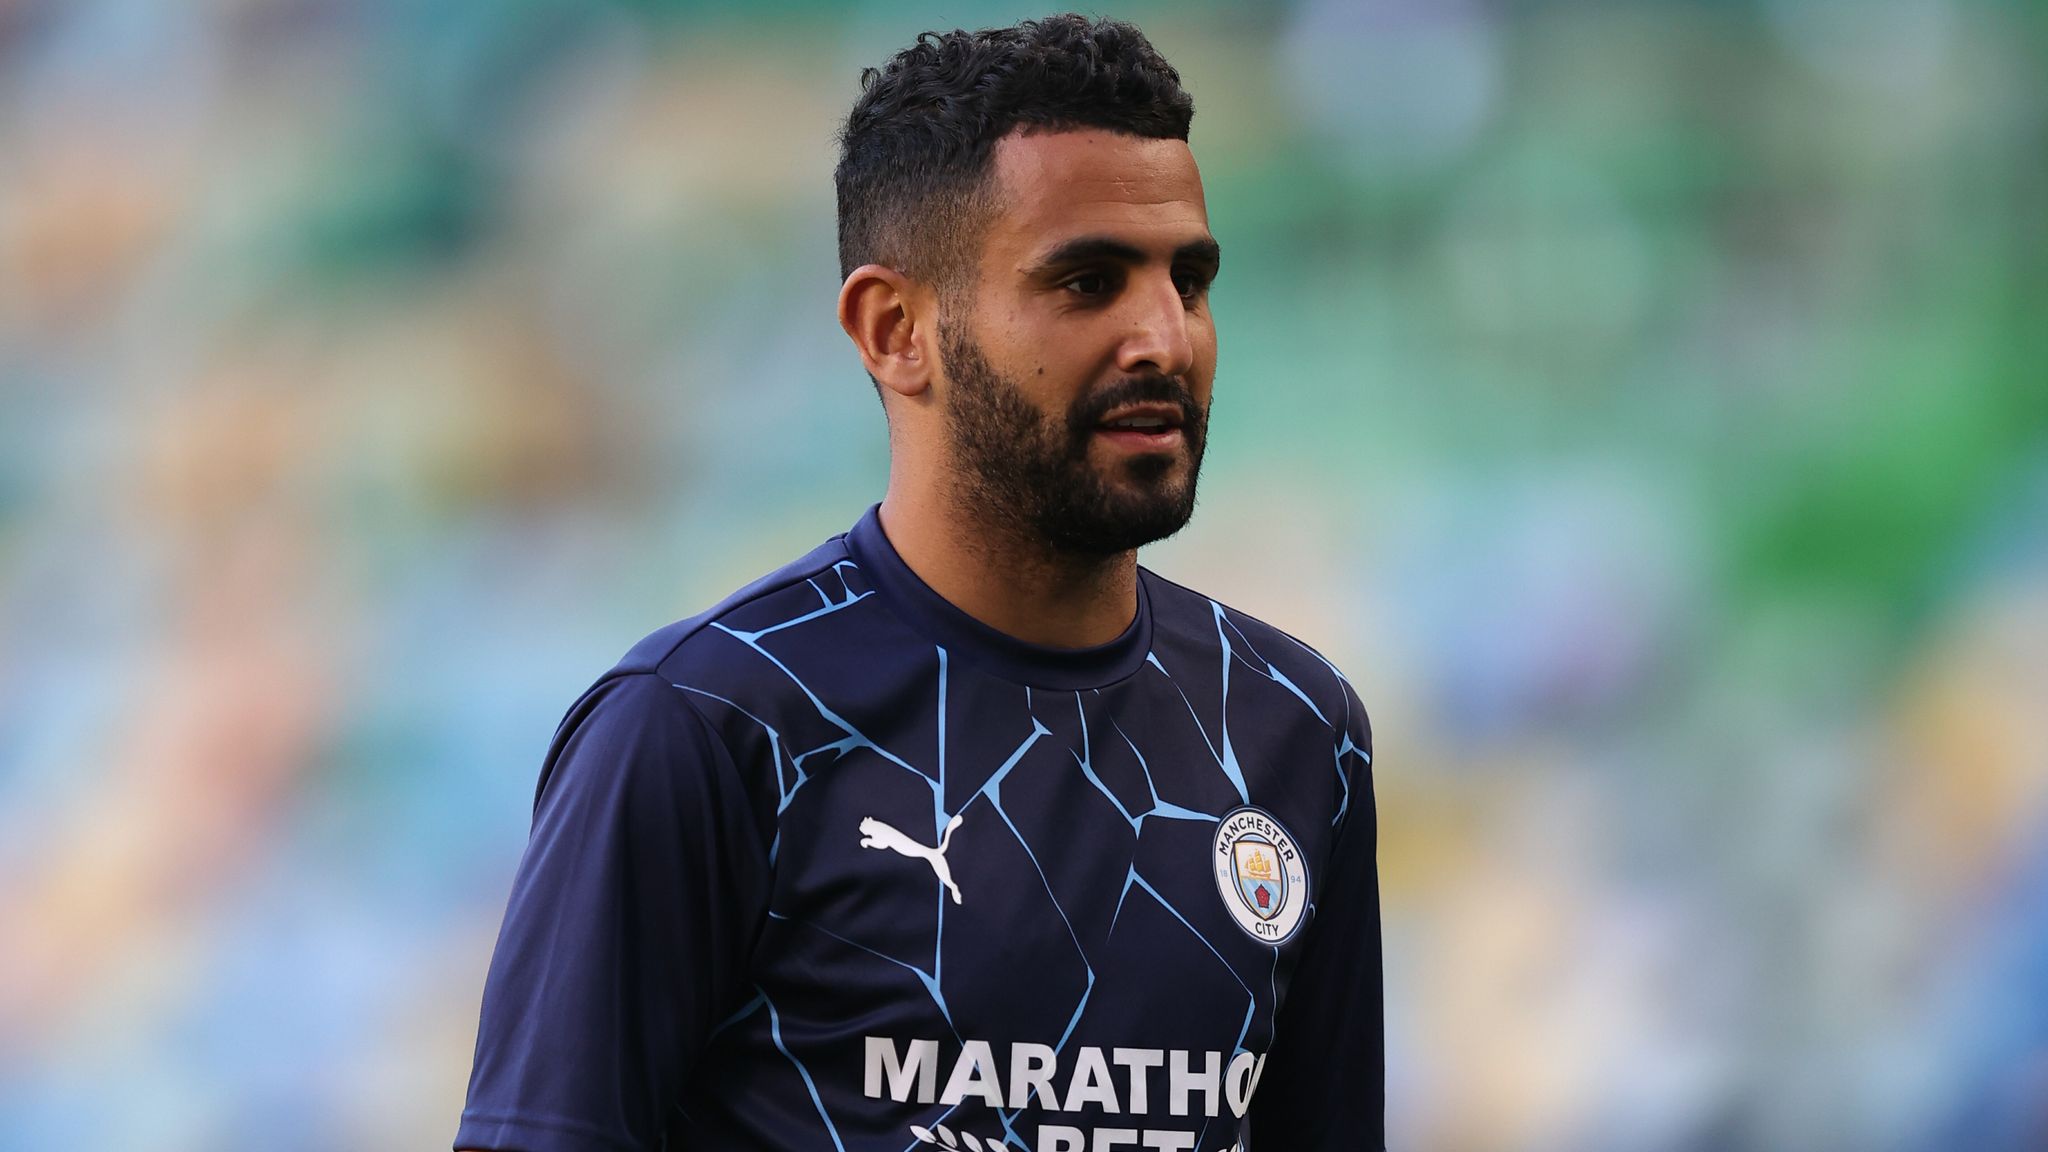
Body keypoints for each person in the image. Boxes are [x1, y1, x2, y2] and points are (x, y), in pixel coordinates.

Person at [456, 14, 1380, 1152]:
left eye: (1187, 282)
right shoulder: (705, 728)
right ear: (895, 329)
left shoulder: (1296, 730)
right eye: (1087, 282)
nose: (1164, 339)